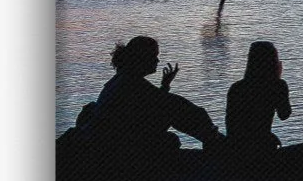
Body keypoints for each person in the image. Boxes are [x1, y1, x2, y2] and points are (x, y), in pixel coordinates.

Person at [78, 35, 222, 167]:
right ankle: (216, 142)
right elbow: (166, 105)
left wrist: (165, 85)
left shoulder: (123, 80)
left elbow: (153, 104)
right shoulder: (131, 83)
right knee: (174, 120)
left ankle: (213, 139)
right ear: (141, 58)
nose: (157, 61)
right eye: (154, 56)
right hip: (118, 149)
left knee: (172, 126)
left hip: (116, 141)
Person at [225, 41, 291, 153]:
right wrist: (279, 78)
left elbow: (230, 122)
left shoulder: (236, 88)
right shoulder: (277, 85)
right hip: (262, 145)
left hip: (236, 145)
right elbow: (284, 114)